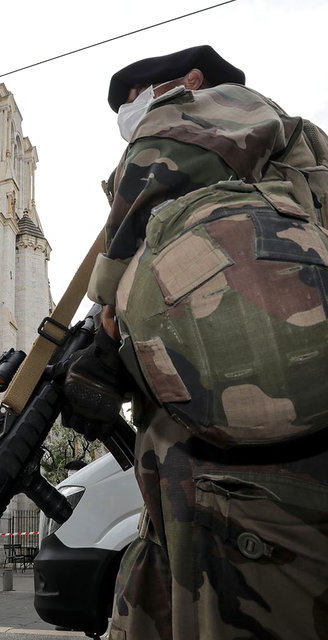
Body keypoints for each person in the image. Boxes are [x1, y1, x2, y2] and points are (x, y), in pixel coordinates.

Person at [61, 45, 328, 640]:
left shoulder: (219, 108)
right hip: (207, 459)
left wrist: (106, 319)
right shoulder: (278, 153)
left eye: (133, 101)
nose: (132, 119)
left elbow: (157, 173)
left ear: (189, 79)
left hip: (258, 470)